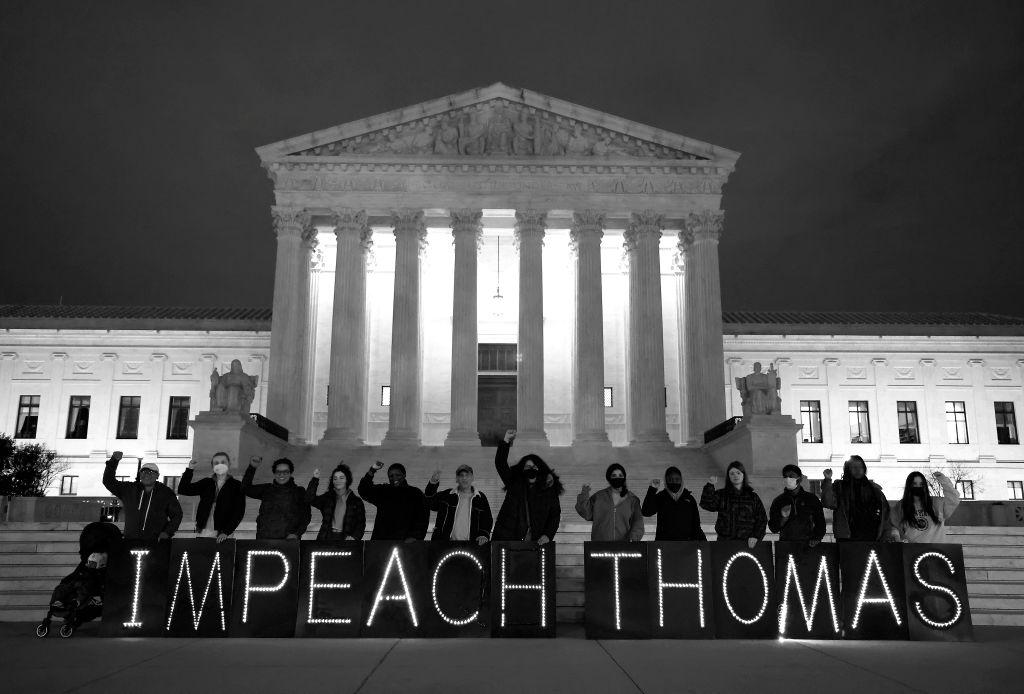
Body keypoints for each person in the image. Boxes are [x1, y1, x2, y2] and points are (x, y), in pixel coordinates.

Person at [492, 429, 564, 544]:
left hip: (535, 540)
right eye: (527, 467)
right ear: (522, 469)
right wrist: (506, 441)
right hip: (507, 538)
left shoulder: (548, 490)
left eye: (534, 467)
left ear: (540, 469)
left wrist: (548, 535)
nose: (531, 470)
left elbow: (554, 516)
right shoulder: (514, 483)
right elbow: (500, 464)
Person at [102, 451, 182, 543]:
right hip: (130, 540)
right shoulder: (129, 489)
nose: (147, 474)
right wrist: (113, 461)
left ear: (157, 476)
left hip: (156, 542)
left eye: (151, 472)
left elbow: (177, 515)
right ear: (140, 475)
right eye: (144, 472)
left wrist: (167, 533)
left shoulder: (165, 493)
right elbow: (108, 481)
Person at [820, 455, 894, 542]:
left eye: (860, 467)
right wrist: (828, 480)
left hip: (872, 535)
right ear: (848, 469)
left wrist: (886, 535)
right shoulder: (840, 487)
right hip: (847, 537)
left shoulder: (874, 490)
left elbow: (885, 513)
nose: (858, 470)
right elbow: (828, 502)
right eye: (854, 467)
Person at [177, 452, 246, 542]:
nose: (219, 465)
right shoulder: (206, 483)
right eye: (216, 463)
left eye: (223, 462)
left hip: (223, 532)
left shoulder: (236, 485)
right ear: (212, 466)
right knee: (203, 555)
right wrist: (190, 469)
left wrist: (226, 531)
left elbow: (239, 511)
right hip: (204, 529)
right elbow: (183, 489)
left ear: (229, 464)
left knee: (222, 555)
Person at [700, 461, 767, 548]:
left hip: (748, 544)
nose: (735, 476)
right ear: (728, 477)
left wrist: (756, 536)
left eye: (738, 473)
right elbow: (706, 504)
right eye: (732, 473)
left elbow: (762, 519)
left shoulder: (753, 497)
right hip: (724, 543)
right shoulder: (722, 495)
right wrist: (710, 485)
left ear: (743, 475)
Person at [241, 456, 310, 540]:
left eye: (285, 472)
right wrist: (252, 467)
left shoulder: (299, 492)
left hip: (288, 542)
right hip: (264, 540)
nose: (281, 475)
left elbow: (306, 517)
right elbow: (245, 489)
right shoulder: (267, 489)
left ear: (290, 473)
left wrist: (296, 534)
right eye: (278, 472)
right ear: (274, 473)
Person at [357, 461, 428, 542]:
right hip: (381, 542)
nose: (395, 478)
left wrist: (415, 537)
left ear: (404, 475)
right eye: (391, 476)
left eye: (398, 475)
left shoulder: (415, 493)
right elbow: (363, 490)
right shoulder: (383, 491)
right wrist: (372, 470)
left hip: (405, 542)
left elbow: (423, 518)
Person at [424, 464, 493, 544]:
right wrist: (433, 483)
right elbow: (429, 502)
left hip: (472, 545)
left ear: (472, 478)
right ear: (456, 479)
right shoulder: (447, 495)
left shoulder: (480, 498)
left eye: (467, 475)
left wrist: (483, 535)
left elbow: (487, 520)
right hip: (444, 544)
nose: (464, 478)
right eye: (461, 475)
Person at [575, 463, 644, 542]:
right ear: (609, 478)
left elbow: (638, 522)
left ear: (624, 477)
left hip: (624, 547)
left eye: (620, 475)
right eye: (614, 475)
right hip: (600, 546)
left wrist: (634, 538)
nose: (617, 478)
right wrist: (584, 492)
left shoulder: (632, 500)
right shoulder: (599, 497)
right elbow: (586, 513)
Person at [891, 471, 960, 543]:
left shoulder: (937, 502)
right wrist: (896, 536)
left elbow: (954, 499)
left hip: (936, 550)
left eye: (921, 484)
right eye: (914, 484)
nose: (918, 487)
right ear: (909, 486)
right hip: (913, 549)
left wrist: (944, 481)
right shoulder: (902, 505)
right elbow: (894, 525)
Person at [641, 466, 707, 541]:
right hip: (665, 545)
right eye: (670, 480)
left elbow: (696, 524)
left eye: (677, 479)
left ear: (681, 480)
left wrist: (703, 543)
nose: (674, 482)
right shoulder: (661, 497)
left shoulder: (689, 499)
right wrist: (652, 490)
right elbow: (646, 512)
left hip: (687, 545)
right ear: (666, 481)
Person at [768, 464, 826, 545]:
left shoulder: (811, 499)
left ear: (800, 478)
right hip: (786, 544)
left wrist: (817, 537)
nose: (788, 479)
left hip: (808, 543)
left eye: (791, 476)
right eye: (785, 476)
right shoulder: (779, 501)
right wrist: (783, 519)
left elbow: (820, 522)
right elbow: (773, 528)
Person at [306, 463, 366, 541]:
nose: (338, 481)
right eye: (335, 478)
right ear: (332, 481)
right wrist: (315, 479)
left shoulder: (356, 501)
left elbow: (361, 523)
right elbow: (309, 499)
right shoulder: (327, 498)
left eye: (341, 478)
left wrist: (355, 537)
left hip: (346, 538)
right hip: (326, 537)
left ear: (347, 480)